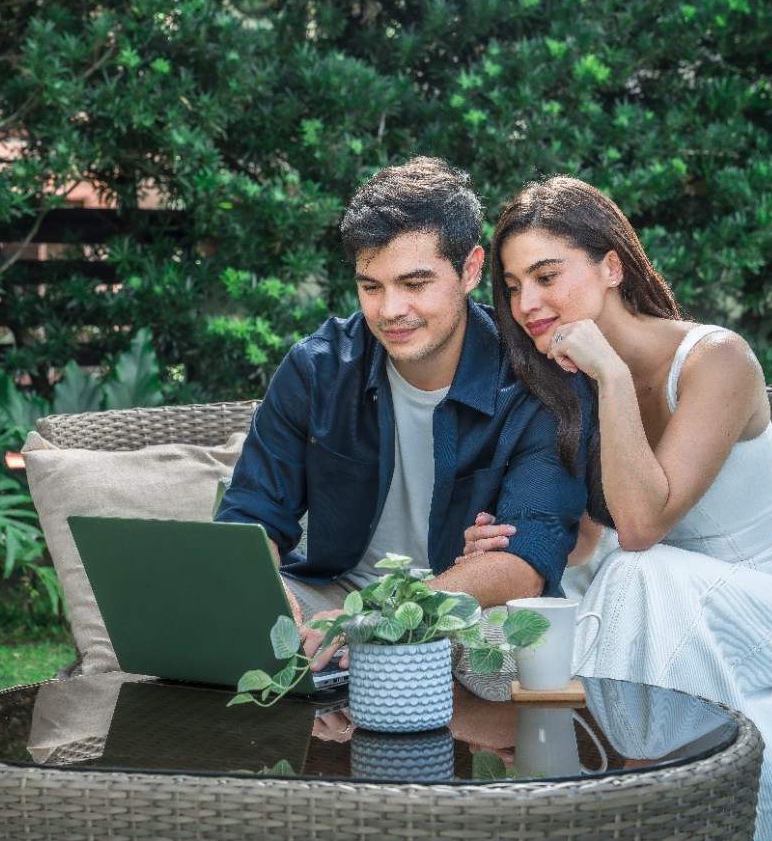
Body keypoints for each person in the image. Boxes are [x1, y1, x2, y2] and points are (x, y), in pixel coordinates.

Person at [461, 175, 772, 841]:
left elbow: (645, 527)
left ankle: (635, 792)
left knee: (636, 573)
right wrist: (497, 549)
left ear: (612, 267)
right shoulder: (569, 387)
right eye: (511, 286)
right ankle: (633, 789)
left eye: (546, 275)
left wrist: (614, 375)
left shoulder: (716, 360)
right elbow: (590, 542)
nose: (528, 302)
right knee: (500, 638)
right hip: (676, 631)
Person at [215, 156, 593, 672]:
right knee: (229, 628)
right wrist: (276, 609)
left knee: (499, 655)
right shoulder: (316, 369)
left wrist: (375, 620)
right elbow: (247, 523)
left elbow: (527, 563)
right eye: (371, 286)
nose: (390, 310)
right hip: (332, 598)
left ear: (471, 269)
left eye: (415, 284)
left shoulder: (536, 383)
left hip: (461, 611)